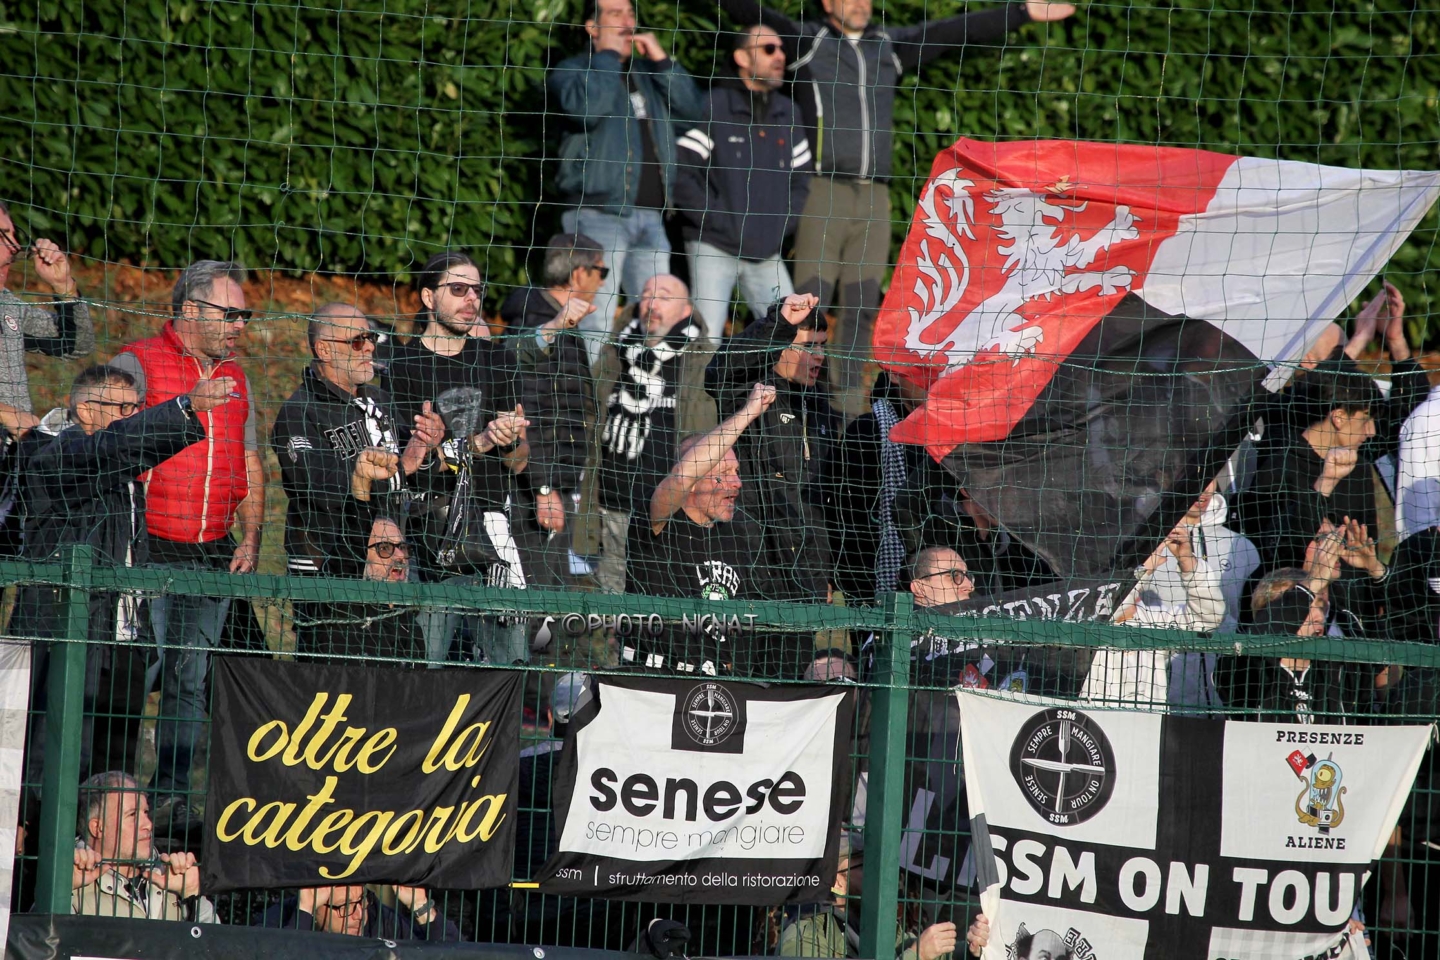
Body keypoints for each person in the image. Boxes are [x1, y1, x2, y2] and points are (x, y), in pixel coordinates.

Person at [716, 0, 1076, 411]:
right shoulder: (809, 41)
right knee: (811, 302)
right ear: (827, 3)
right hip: (823, 189)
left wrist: (1021, 12)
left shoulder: (887, 45)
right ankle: (799, 403)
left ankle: (846, 409)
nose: (860, 4)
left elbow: (951, 31)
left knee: (862, 303)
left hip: (875, 196)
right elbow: (749, 10)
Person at [16, 366, 230, 789]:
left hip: (125, 637)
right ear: (85, 410)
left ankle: (109, 830)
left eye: (137, 408)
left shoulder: (121, 470)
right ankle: (40, 828)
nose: (132, 417)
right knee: (58, 757)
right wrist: (184, 406)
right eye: (124, 408)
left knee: (113, 767)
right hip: (72, 634)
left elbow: (127, 448)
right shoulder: (58, 454)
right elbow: (112, 447)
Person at [108, 259, 265, 835]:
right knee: (134, 673)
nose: (240, 325)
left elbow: (250, 461)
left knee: (189, 679)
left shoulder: (238, 377)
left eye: (245, 316)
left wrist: (251, 534)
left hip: (210, 551)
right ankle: (108, 793)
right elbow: (109, 445)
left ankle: (170, 797)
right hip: (146, 548)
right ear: (192, 309)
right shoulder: (137, 362)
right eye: (231, 314)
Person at [383, 252, 531, 663]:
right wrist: (477, 443)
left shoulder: (497, 359)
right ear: (429, 297)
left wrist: (509, 440)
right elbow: (410, 467)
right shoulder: (402, 365)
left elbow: (520, 461)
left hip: (491, 530)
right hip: (428, 529)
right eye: (459, 289)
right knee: (425, 663)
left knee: (509, 662)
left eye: (477, 290)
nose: (472, 299)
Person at [271, 303, 445, 652]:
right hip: (329, 573)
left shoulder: (380, 400)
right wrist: (396, 469)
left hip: (393, 566)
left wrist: (428, 447)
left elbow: (418, 475)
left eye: (371, 339)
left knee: (401, 664)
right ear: (324, 350)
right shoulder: (299, 411)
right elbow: (316, 484)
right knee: (334, 672)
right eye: (357, 340)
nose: (369, 348)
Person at [547, 0, 704, 362]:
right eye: (615, 14)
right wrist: (606, 56)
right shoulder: (573, 70)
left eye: (631, 13)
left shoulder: (648, 74)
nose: (627, 20)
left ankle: (644, 390)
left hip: (652, 216)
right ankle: (589, 395)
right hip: (598, 213)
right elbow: (586, 109)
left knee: (656, 319)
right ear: (592, 27)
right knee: (595, 318)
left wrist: (663, 62)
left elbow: (693, 112)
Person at [673, 25, 812, 340]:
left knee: (793, 338)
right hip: (714, 246)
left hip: (767, 252)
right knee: (705, 341)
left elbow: (801, 181)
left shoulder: (789, 113)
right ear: (741, 57)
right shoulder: (713, 106)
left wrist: (779, 225)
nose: (780, 57)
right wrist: (718, 221)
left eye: (782, 49)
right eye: (769, 49)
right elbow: (681, 173)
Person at [626, 381, 774, 675]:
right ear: (693, 483)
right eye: (723, 474)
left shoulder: (737, 535)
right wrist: (749, 412)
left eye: (736, 472)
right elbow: (682, 476)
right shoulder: (659, 520)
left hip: (715, 685)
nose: (737, 483)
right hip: (653, 679)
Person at [706, 292, 840, 604]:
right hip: (750, 557)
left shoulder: (821, 407)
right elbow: (718, 372)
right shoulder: (747, 390)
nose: (819, 356)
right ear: (781, 345)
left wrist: (824, 571)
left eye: (823, 346)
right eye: (809, 346)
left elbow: (821, 501)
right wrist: (778, 324)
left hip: (805, 566)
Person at [589, 273, 715, 593]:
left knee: (663, 601)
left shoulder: (706, 361)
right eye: (647, 294)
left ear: (686, 310)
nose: (652, 303)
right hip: (611, 503)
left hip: (669, 511)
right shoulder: (615, 351)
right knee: (610, 602)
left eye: (665, 296)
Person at [501, 234, 603, 589]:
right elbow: (526, 412)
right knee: (539, 597)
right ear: (579, 274)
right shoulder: (539, 326)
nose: (603, 282)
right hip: (535, 491)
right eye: (601, 271)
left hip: (556, 483)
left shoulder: (559, 326)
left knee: (554, 595)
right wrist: (543, 489)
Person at [1079, 511, 1225, 708]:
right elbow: (1110, 608)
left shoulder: (1154, 620)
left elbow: (1208, 618)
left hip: (1149, 726)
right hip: (1092, 725)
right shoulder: (1083, 616)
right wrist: (1143, 568)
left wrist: (1187, 561)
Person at [777, 832, 956, 960]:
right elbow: (919, 952)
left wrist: (970, 949)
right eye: (864, 866)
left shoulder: (869, 924)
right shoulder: (803, 938)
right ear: (837, 882)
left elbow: (934, 951)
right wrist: (918, 956)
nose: (877, 874)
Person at [72, 771, 217, 921]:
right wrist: (63, 890)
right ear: (97, 828)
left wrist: (192, 894)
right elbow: (56, 933)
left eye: (146, 812)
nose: (148, 824)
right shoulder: (72, 884)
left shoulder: (171, 877)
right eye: (132, 815)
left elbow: (213, 936)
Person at [0, 202, 96, 423]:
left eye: (14, 235)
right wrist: (6, 413)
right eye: (2, 235)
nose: (15, 246)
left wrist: (63, 287)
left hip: (16, 445)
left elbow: (76, 345)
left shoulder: (7, 305)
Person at [296, 517, 427, 661]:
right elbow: (350, 548)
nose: (400, 555)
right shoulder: (337, 606)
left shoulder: (410, 624)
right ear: (360, 557)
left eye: (403, 547)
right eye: (384, 548)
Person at [258, 883, 458, 940]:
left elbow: (453, 953)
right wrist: (304, 912)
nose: (359, 915)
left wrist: (420, 905)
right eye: (344, 906)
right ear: (315, 905)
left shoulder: (378, 917)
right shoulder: (281, 919)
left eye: (361, 900)